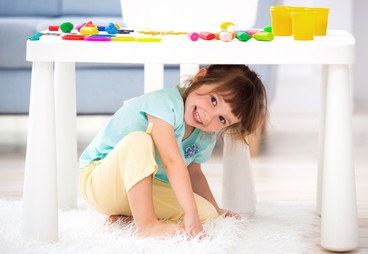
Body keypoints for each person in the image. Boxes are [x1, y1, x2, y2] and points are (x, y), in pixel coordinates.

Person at [79, 64, 268, 238]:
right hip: (99, 180)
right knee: (139, 140)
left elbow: (194, 173)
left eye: (222, 120)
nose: (208, 117)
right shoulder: (164, 104)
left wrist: (216, 210)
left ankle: (128, 217)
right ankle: (147, 226)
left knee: (206, 213)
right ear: (200, 78)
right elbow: (171, 160)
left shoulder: (204, 135)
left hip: (139, 191)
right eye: (213, 100)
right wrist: (189, 213)